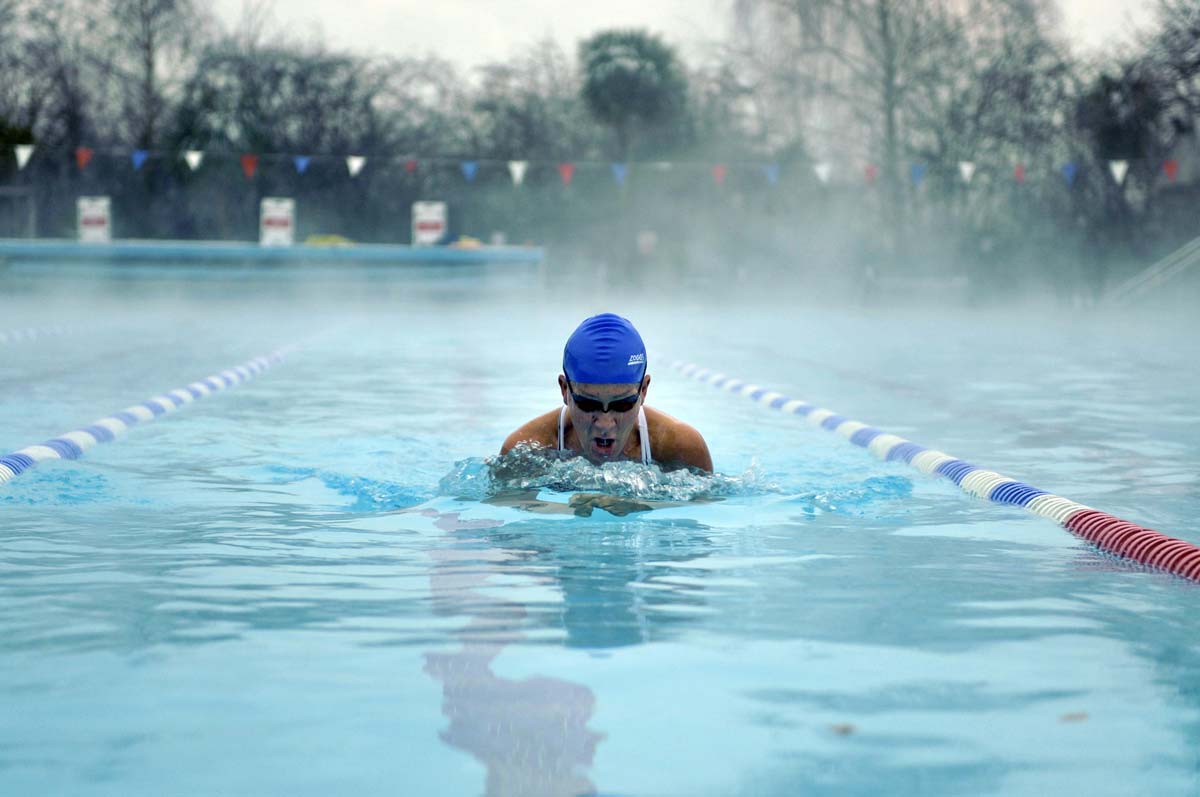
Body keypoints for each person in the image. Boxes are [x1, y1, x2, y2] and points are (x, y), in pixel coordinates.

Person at [501, 313, 712, 473]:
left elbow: (704, 511)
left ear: (643, 391)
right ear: (565, 390)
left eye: (621, 405)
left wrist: (637, 504)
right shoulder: (527, 448)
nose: (604, 423)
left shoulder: (680, 447)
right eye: (588, 404)